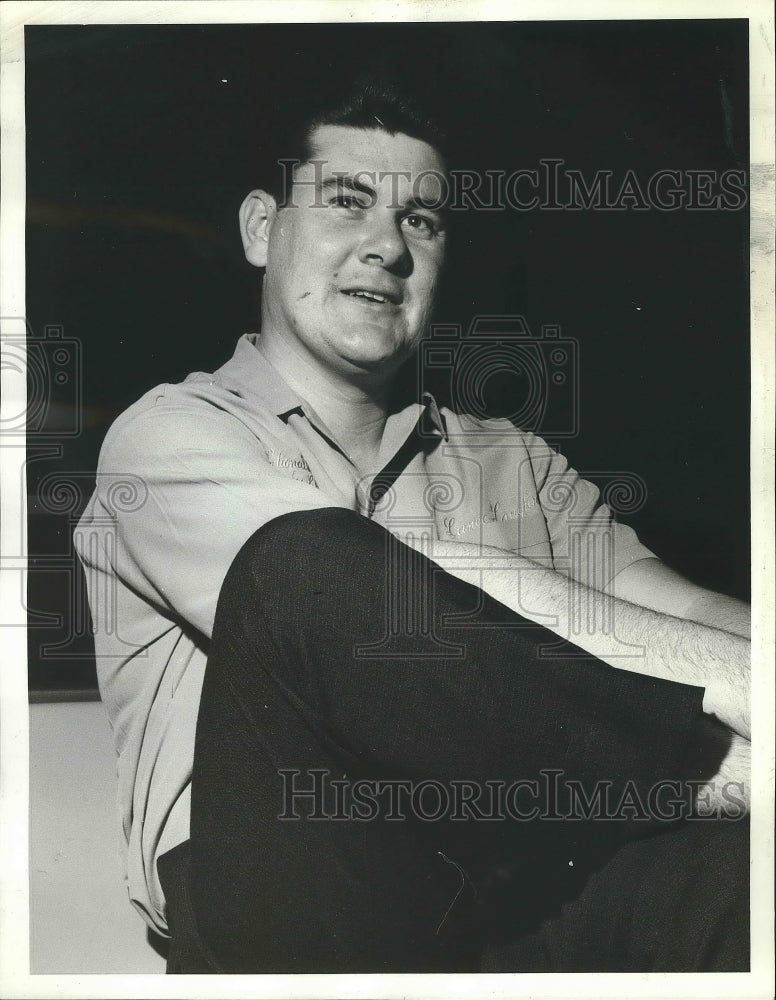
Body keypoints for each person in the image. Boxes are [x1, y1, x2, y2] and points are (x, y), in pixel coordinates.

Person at [75, 80, 751, 974]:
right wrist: (729, 746)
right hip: (309, 894)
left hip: (529, 883)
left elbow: (678, 609)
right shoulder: (168, 436)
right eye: (347, 204)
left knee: (744, 884)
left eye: (421, 222)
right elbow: (362, 597)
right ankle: (712, 775)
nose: (386, 246)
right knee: (305, 568)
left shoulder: (511, 456)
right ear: (257, 229)